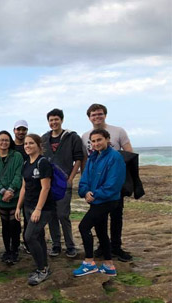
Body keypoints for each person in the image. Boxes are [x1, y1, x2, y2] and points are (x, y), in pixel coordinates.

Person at [82, 103, 133, 262]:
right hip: (96, 184)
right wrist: (87, 186)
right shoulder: (85, 136)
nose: (97, 117)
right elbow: (87, 159)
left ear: (105, 115)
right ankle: (103, 246)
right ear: (89, 117)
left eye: (99, 114)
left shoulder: (118, 131)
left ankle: (116, 246)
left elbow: (129, 153)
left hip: (114, 182)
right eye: (93, 114)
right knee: (99, 218)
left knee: (116, 216)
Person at [74, 129, 126, 277]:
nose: (96, 143)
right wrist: (85, 192)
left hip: (108, 200)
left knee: (83, 227)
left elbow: (114, 184)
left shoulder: (115, 157)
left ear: (107, 139)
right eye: (93, 141)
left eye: (99, 140)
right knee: (101, 231)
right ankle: (109, 265)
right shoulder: (92, 157)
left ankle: (89, 262)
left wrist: (94, 194)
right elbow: (85, 179)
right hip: (95, 200)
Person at [42, 108, 85, 258]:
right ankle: (56, 245)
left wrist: (71, 178)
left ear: (61, 120)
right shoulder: (44, 139)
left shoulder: (72, 137)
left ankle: (70, 246)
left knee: (63, 215)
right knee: (51, 216)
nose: (53, 122)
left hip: (63, 184)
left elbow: (78, 159)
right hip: (48, 185)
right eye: (51, 120)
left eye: (56, 119)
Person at [15, 134, 55, 285]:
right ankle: (44, 266)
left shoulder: (42, 163)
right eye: (25, 144)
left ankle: (42, 270)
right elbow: (24, 187)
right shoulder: (26, 163)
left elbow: (46, 188)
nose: (27, 146)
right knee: (37, 237)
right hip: (28, 206)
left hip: (43, 208)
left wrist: (38, 209)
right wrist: (19, 206)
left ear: (39, 145)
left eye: (31, 143)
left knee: (29, 237)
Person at [0, 130, 23, 264]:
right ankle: (7, 250)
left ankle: (15, 250)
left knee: (14, 224)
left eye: (6, 140)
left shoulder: (17, 156)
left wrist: (10, 190)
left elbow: (19, 175)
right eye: (1, 140)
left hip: (15, 196)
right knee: (5, 224)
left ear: (10, 142)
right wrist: (3, 191)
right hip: (1, 197)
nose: (3, 142)